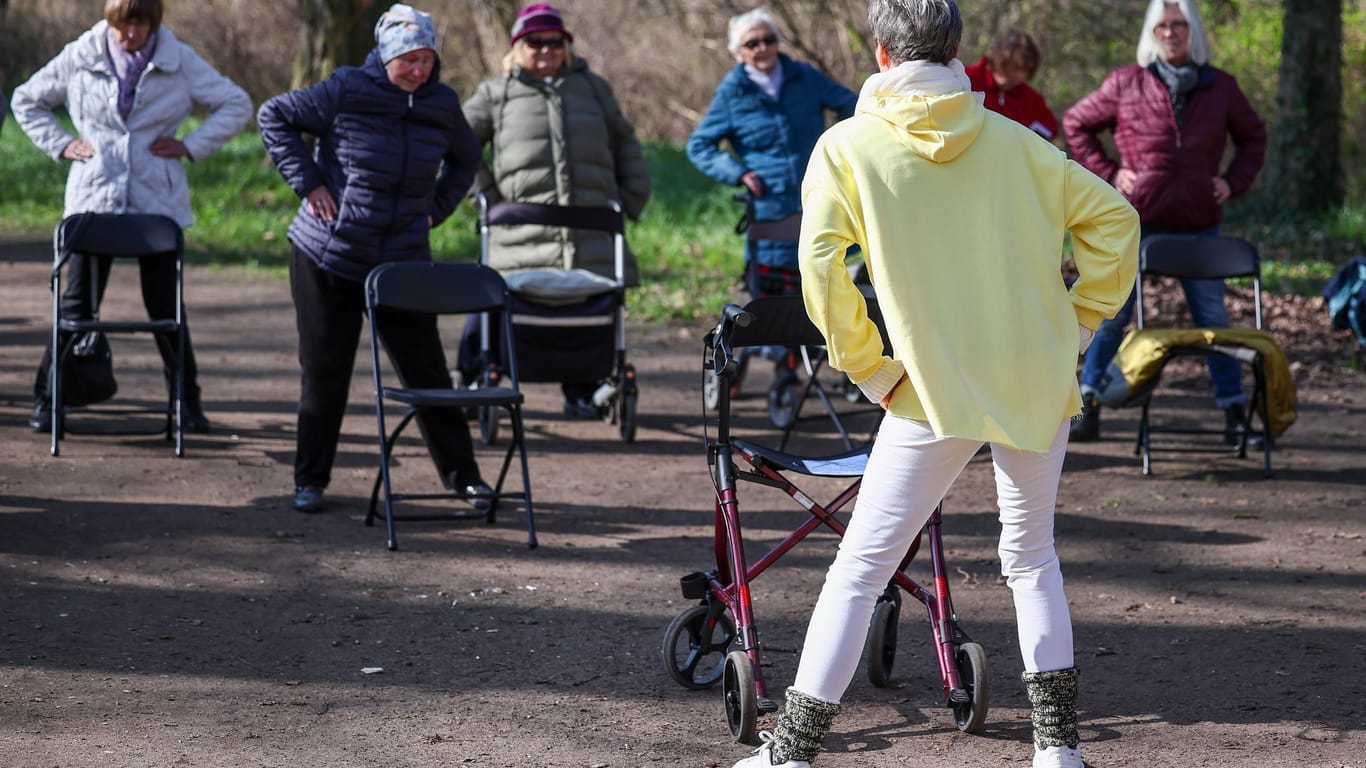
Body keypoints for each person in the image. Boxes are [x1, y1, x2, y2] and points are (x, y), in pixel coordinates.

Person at [730, 1, 1139, 767]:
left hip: (928, 386)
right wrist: (1079, 327)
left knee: (861, 568)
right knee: (1031, 558)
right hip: (1033, 372)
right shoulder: (1021, 145)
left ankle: (790, 751)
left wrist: (871, 368)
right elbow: (1116, 222)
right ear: (956, 53)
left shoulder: (846, 148)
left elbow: (820, 275)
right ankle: (1058, 750)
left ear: (882, 55)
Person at [258, 3, 490, 514]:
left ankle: (465, 478)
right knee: (325, 370)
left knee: (427, 370)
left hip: (402, 264)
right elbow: (273, 115)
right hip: (328, 254)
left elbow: (466, 159)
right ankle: (311, 480)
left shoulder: (442, 104)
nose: (418, 69)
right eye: (408, 59)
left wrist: (435, 210)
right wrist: (310, 183)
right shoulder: (346, 89)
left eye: (426, 59)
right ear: (386, 56)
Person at [10, 0, 251, 435]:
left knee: (166, 307)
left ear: (152, 22)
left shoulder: (178, 60)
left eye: (138, 23)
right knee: (75, 305)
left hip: (155, 205)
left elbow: (236, 103)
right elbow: (26, 100)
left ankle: (186, 403)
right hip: (93, 201)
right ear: (110, 20)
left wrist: (190, 145)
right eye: (121, 23)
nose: (129, 33)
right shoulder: (81, 54)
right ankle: (50, 398)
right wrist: (62, 144)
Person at [1064, 0, 1266, 442]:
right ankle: (1087, 404)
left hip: (1199, 225)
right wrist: (1111, 173)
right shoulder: (1125, 83)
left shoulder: (1222, 87)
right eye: (1162, 26)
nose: (1171, 33)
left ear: (1193, 31)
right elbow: (1077, 122)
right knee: (1113, 314)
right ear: (1151, 34)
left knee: (1211, 316)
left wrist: (1233, 182)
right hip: (1138, 221)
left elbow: (1254, 136)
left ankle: (1234, 413)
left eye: (1179, 25)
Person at [462, 2, 651, 419]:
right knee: (488, 294)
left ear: (566, 46)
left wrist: (633, 195)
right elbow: (459, 142)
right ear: (517, 47)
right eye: (535, 42)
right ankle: (475, 371)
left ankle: (585, 389)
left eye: (555, 42)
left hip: (591, 239)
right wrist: (490, 198)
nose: (546, 50)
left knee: (589, 307)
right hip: (519, 240)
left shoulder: (595, 89)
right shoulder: (497, 92)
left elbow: (625, 143)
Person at [686, 7, 857, 299]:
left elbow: (852, 105)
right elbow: (699, 146)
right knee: (774, 296)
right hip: (769, 204)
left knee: (825, 278)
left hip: (816, 194)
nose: (762, 48)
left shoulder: (804, 76)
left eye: (768, 39)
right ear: (738, 53)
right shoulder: (731, 93)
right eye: (752, 44)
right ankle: (776, 346)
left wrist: (844, 149)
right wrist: (739, 172)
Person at [964, 27, 1059, 140]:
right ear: (1000, 59)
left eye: (1026, 70)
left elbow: (1050, 129)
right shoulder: (966, 79)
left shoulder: (1032, 100)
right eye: (1015, 68)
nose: (1020, 76)